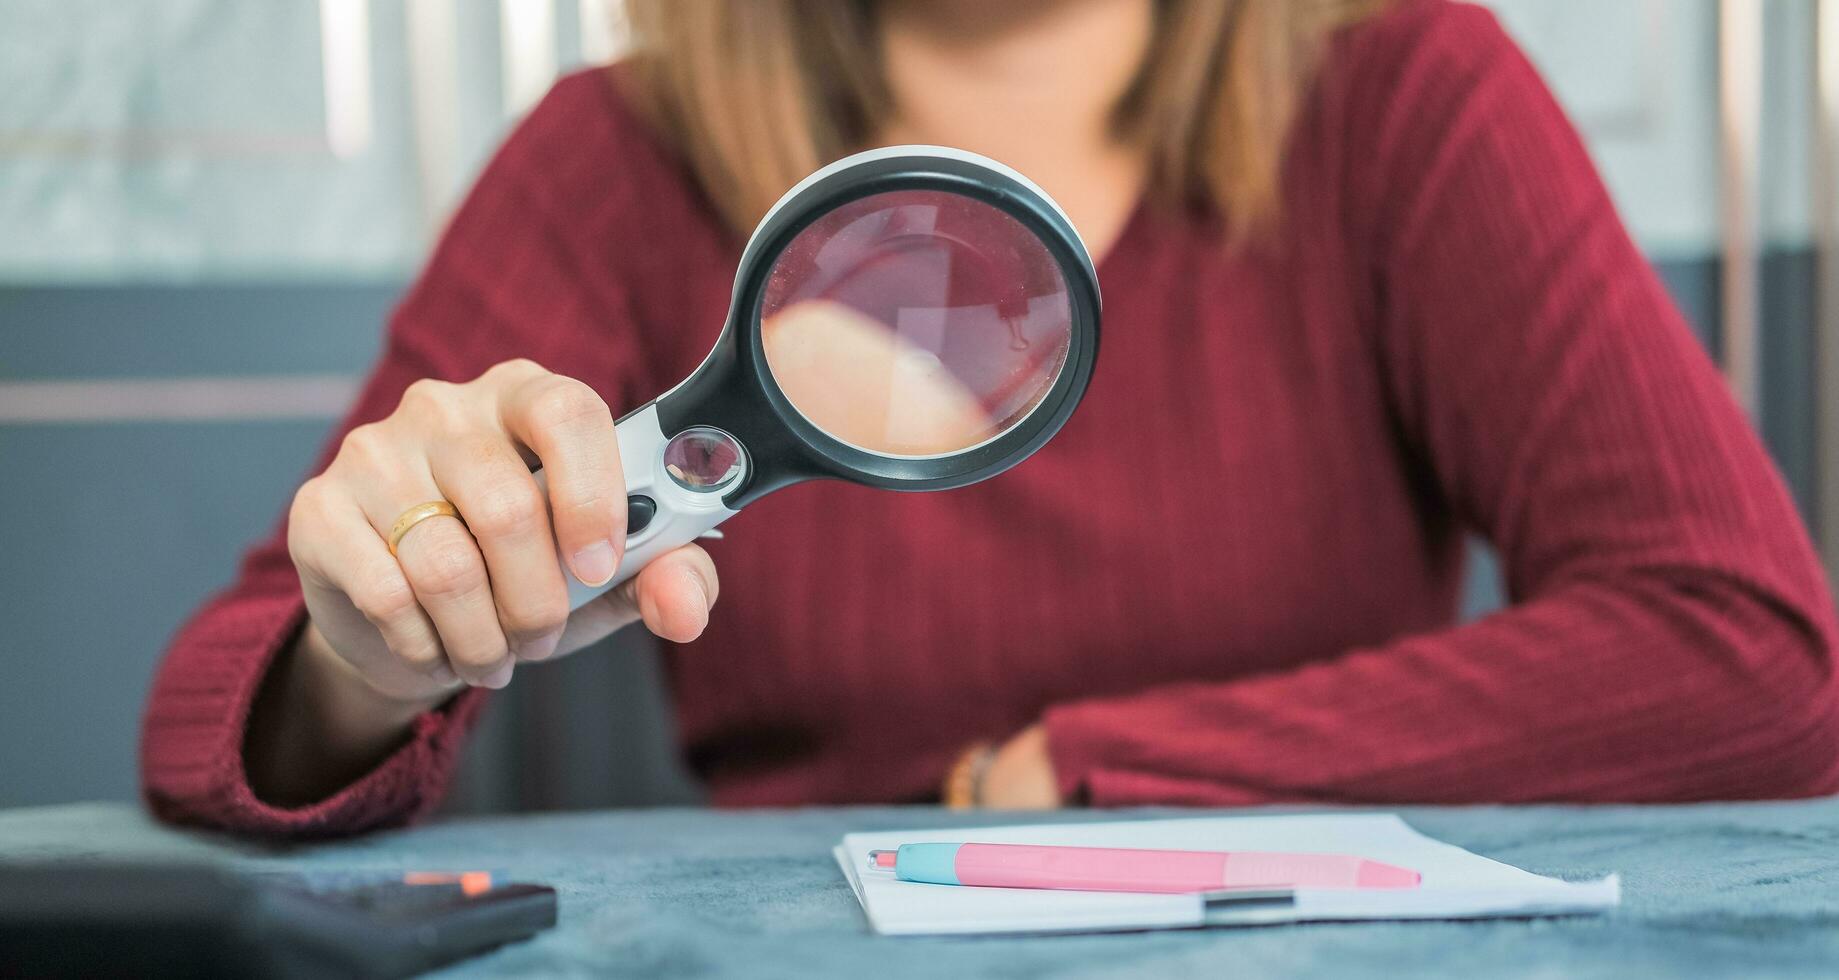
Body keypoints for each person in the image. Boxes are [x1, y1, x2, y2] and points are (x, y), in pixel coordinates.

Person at [142, 0, 1839, 837]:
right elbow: (222, 725)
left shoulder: (1406, 95)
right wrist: (371, 653)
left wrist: (1088, 776)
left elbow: (1753, 656)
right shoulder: (613, 156)